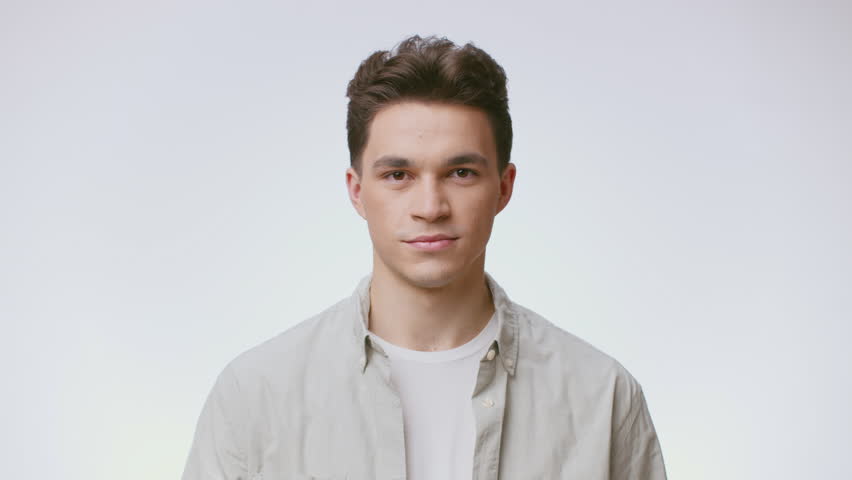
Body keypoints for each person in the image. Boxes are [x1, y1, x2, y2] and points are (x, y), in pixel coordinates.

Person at [181, 34, 668, 480]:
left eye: (460, 172)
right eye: (398, 175)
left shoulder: (602, 397)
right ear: (357, 191)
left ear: (504, 187)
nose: (430, 208)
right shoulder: (256, 396)